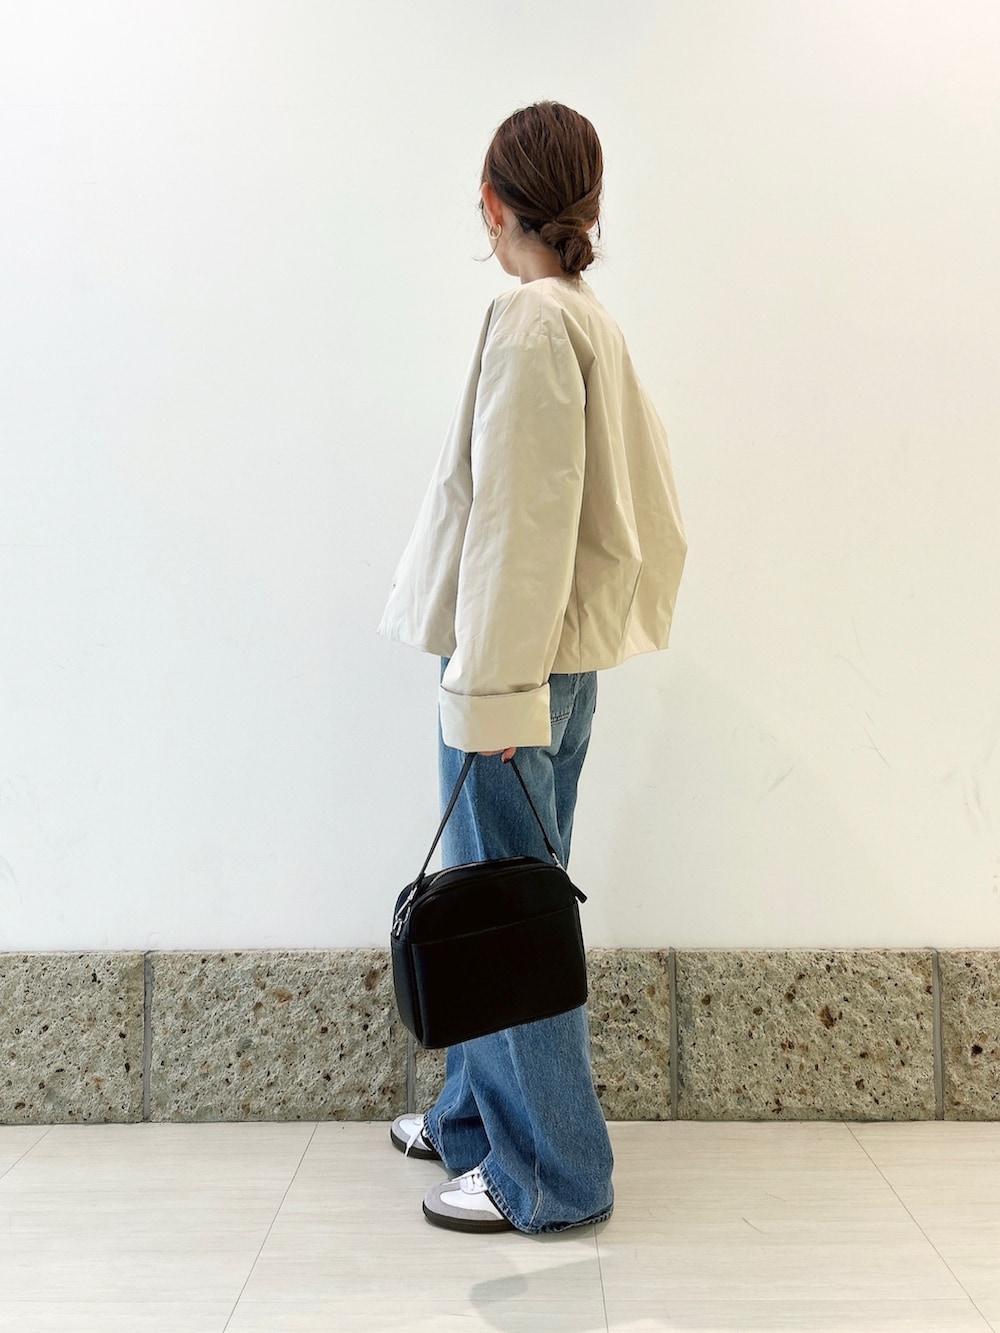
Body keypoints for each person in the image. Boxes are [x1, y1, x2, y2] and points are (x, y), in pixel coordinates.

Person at [379, 101, 686, 1235]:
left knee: (510, 912)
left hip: (516, 665)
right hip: (556, 658)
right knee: (500, 897)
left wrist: (493, 691)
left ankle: (552, 1172)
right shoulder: (585, 316)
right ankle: (472, 1116)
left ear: (491, 202)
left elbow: (520, 524)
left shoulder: (529, 321)